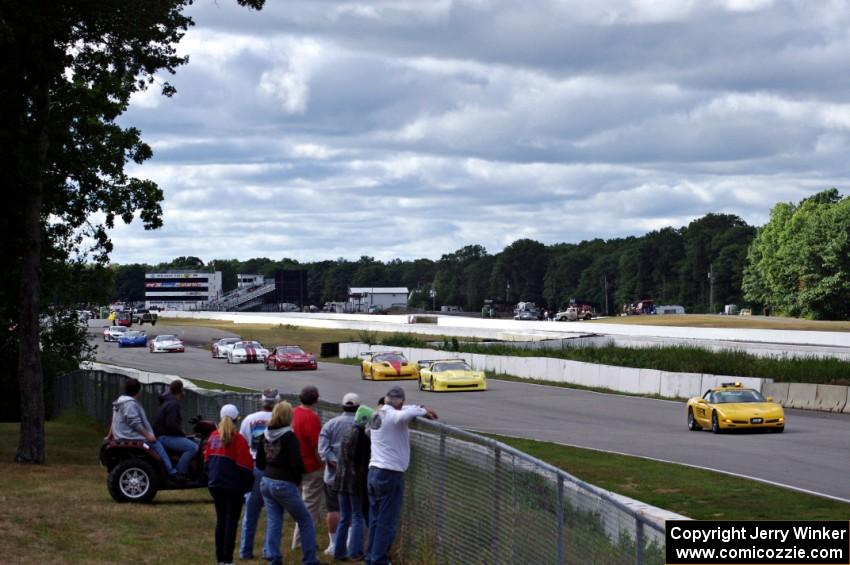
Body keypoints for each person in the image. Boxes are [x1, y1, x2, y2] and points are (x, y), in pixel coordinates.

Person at [366, 387, 438, 565]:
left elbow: (404, 411)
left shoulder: (378, 414)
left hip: (374, 469)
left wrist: (414, 408)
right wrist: (422, 411)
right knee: (387, 520)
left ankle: (371, 556)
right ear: (400, 402)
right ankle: (378, 559)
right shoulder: (395, 417)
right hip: (389, 472)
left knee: (375, 517)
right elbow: (404, 415)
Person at [257, 401, 328, 565]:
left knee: (274, 520)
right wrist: (297, 480)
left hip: (267, 481)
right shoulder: (289, 437)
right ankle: (310, 559)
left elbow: (260, 461)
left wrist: (269, 469)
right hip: (284, 482)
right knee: (305, 520)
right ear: (288, 417)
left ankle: (273, 556)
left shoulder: (265, 434)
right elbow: (297, 463)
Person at [204, 404, 255, 565]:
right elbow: (246, 466)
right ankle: (227, 559)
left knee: (221, 520)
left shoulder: (212, 436)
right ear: (235, 420)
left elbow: (206, 461)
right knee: (231, 521)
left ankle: (220, 559)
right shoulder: (238, 439)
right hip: (233, 487)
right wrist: (247, 485)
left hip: (215, 484)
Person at [238, 388, 280, 560]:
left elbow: (243, 443)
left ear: (262, 401)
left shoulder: (250, 420)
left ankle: (245, 551)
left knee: (251, 512)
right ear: (277, 402)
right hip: (274, 469)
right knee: (273, 513)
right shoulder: (281, 421)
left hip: (254, 467)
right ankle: (268, 551)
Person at [107, 377, 177, 478]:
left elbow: (114, 420)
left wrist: (110, 434)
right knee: (158, 445)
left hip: (122, 434)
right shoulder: (129, 404)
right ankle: (171, 471)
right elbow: (134, 423)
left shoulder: (120, 402)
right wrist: (148, 436)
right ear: (138, 391)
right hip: (131, 436)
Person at [318, 393, 359, 556]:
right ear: (358, 407)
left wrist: (336, 462)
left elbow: (323, 449)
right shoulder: (362, 425)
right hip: (355, 477)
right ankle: (349, 543)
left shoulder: (330, 424)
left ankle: (334, 544)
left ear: (342, 406)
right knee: (353, 511)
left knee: (334, 509)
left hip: (333, 476)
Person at [333, 405, 373, 561]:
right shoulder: (363, 438)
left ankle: (339, 551)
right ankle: (355, 551)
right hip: (354, 481)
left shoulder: (347, 433)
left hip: (341, 479)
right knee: (357, 516)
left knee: (344, 517)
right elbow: (362, 463)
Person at [291, 385, 323, 550]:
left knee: (301, 504)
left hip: (293, 466)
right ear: (316, 399)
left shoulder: (292, 413)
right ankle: (301, 541)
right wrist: (322, 463)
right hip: (310, 466)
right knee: (310, 505)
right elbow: (316, 446)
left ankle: (301, 539)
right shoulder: (312, 418)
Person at [153, 379, 198, 479]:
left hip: (161, 435)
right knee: (193, 447)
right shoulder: (174, 403)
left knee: (193, 440)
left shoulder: (166, 401)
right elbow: (171, 425)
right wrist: (181, 433)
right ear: (181, 391)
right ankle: (180, 472)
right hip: (165, 437)